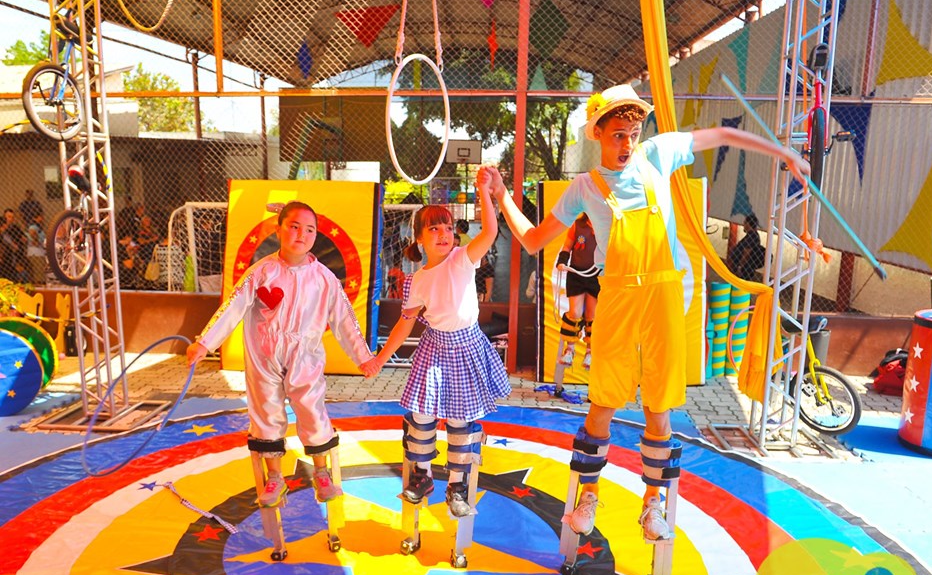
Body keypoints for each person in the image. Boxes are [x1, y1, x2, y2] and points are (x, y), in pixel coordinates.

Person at [491, 83, 809, 539]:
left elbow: (720, 134)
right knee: (602, 405)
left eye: (633, 132)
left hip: (664, 298)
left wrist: (783, 152)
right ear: (596, 133)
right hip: (619, 300)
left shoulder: (657, 155)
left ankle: (652, 504)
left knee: (659, 409)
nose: (627, 142)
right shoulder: (585, 187)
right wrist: (502, 196)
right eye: (618, 133)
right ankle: (587, 496)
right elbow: (535, 240)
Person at [186, 201, 380, 507]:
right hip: (264, 356)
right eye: (293, 226)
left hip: (305, 356)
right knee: (265, 411)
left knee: (311, 409)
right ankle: (275, 476)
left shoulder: (324, 278)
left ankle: (321, 473)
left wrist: (363, 357)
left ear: (317, 235)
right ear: (278, 230)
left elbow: (345, 319)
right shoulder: (261, 272)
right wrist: (205, 342)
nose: (301, 234)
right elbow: (232, 308)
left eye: (309, 229)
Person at [374, 171, 511, 518]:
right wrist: (379, 360)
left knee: (460, 420)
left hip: (467, 348)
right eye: (433, 228)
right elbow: (405, 325)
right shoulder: (417, 280)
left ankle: (457, 485)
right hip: (434, 351)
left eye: (448, 227)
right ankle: (421, 476)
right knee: (421, 417)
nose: (443, 234)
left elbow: (492, 232)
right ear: (419, 238)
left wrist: (484, 190)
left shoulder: (462, 259)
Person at [556, 214, 600, 368]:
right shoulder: (577, 225)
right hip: (576, 274)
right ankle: (570, 350)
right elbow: (567, 245)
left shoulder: (605, 221)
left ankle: (590, 351)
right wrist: (562, 261)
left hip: (596, 275)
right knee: (574, 313)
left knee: (591, 314)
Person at [729, 213, 765, 280]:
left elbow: (746, 252)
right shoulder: (752, 235)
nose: (743, 225)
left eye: (745, 223)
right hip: (745, 268)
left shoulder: (752, 236)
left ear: (748, 224)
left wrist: (740, 267)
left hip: (744, 269)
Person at [25, 212, 46, 285]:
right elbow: (32, 233)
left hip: (39, 252)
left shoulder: (39, 227)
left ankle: (39, 283)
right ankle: (37, 284)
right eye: (40, 217)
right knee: (37, 271)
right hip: (35, 252)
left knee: (40, 271)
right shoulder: (33, 226)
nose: (42, 218)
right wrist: (36, 241)